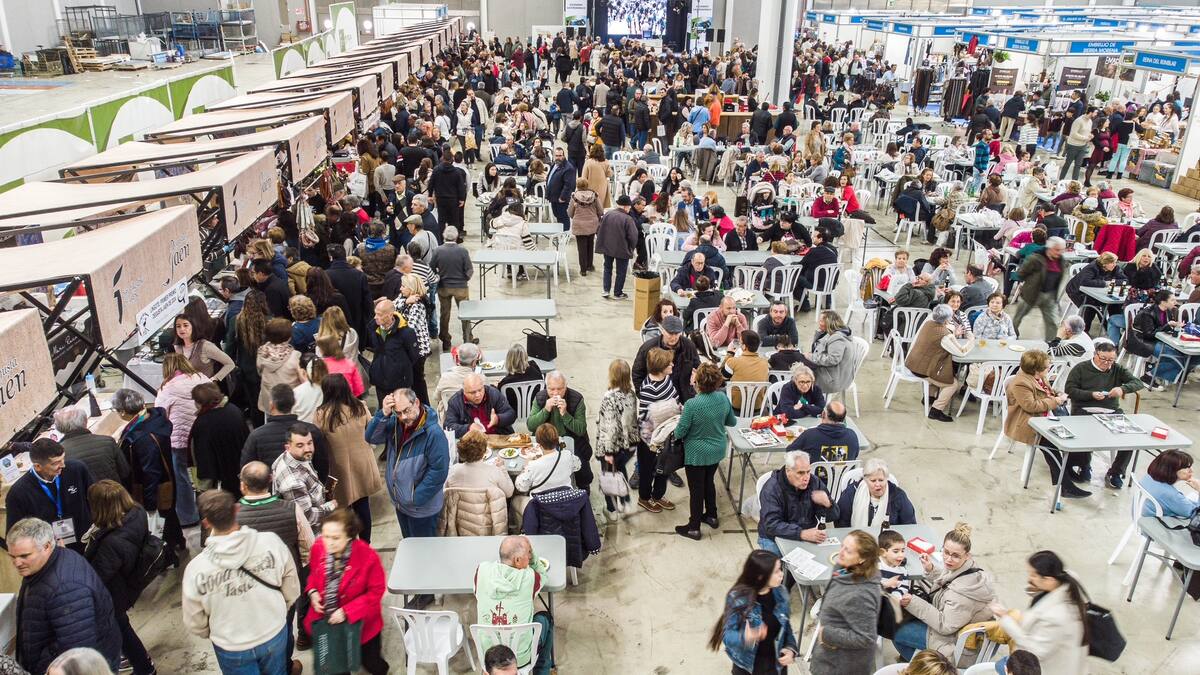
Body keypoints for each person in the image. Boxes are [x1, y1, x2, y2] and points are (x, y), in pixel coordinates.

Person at [182, 490, 299, 674]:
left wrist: (218, 632)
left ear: (206, 523)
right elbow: (291, 586)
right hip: (273, 631)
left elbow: (194, 621)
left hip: (231, 646)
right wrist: (280, 609)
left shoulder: (196, 569)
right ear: (237, 510)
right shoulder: (271, 542)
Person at [9, 517, 121, 674]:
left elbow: (77, 649)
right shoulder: (44, 565)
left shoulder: (66, 588)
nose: (17, 563)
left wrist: (42, 664)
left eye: (24, 556)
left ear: (47, 546)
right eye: (13, 557)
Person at [894, 523, 997, 664]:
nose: (948, 559)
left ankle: (926, 668)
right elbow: (951, 581)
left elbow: (945, 626)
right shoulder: (970, 568)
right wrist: (931, 570)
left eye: (955, 556)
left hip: (959, 647)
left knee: (895, 630)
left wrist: (912, 602)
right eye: (946, 552)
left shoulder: (962, 595)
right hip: (961, 630)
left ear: (967, 556)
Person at [303, 508, 389, 675]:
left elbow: (376, 591)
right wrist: (312, 592)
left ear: (349, 536)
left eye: (336, 538)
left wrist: (347, 612)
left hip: (362, 627)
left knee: (372, 663)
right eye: (326, 536)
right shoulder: (318, 547)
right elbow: (313, 574)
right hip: (328, 626)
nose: (329, 542)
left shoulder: (367, 556)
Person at [83, 481, 155, 675]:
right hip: (127, 582)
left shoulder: (111, 542)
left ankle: (144, 668)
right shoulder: (137, 512)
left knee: (121, 629)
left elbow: (98, 576)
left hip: (114, 593)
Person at [366, 387, 449, 541]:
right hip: (401, 504)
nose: (403, 417)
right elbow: (371, 438)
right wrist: (383, 414)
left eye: (407, 410)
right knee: (409, 544)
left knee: (423, 550)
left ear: (416, 402)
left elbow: (439, 471)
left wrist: (414, 498)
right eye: (398, 412)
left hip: (421, 510)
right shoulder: (395, 423)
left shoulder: (433, 433)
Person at [1001, 350, 1086, 498]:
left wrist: (1057, 394)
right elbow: (1031, 406)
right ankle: (1065, 486)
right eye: (1047, 367)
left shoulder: (1040, 377)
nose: (1049, 368)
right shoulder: (1020, 383)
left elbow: (1047, 392)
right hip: (1027, 422)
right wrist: (1056, 401)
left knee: (1074, 434)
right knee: (1051, 445)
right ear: (1036, 370)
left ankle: (1068, 471)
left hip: (1045, 417)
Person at [1062, 342, 1146, 488]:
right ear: (1095, 354)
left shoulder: (1117, 369)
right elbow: (1069, 390)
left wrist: (1123, 389)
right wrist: (1091, 395)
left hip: (1111, 411)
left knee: (1131, 437)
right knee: (1085, 432)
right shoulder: (1081, 368)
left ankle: (1116, 472)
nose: (1107, 363)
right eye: (1103, 359)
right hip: (1084, 409)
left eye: (1111, 360)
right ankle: (1084, 465)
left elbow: (1138, 383)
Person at [315, 375, 384, 542]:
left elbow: (319, 442)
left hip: (338, 468)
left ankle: (349, 544)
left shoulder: (321, 415)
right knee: (363, 504)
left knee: (342, 509)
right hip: (363, 463)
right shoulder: (359, 407)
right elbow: (371, 429)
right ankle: (365, 543)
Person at [474, 536, 555, 674]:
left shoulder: (481, 571)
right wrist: (534, 558)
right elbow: (542, 573)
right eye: (528, 553)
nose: (530, 557)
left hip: (488, 656)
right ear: (517, 560)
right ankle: (542, 670)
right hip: (519, 658)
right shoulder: (530, 577)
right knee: (545, 618)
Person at [708, 549, 798, 675]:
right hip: (747, 667)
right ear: (761, 576)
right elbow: (727, 636)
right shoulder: (738, 598)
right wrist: (746, 637)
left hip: (775, 665)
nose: (781, 574)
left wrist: (790, 649)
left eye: (781, 569)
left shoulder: (782, 593)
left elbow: (786, 626)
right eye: (776, 571)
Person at [673, 363, 736, 541]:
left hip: (697, 453)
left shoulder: (692, 404)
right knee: (709, 482)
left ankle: (694, 527)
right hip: (717, 450)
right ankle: (711, 515)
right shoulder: (722, 398)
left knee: (696, 490)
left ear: (698, 382)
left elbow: (680, 432)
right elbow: (731, 422)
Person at [809, 531, 882, 675]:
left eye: (848, 551)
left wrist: (826, 634)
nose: (840, 552)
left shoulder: (861, 594)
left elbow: (866, 638)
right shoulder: (844, 569)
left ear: (862, 559)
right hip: (828, 655)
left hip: (841, 665)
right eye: (842, 546)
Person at [6, 439, 93, 554]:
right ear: (38, 466)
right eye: (56, 463)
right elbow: (15, 535)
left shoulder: (77, 469)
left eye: (63, 458)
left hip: (87, 541)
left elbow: (95, 499)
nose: (63, 465)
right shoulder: (18, 493)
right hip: (52, 553)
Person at [757, 451, 837, 553]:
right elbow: (772, 525)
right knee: (777, 561)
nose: (806, 478)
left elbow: (833, 517)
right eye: (800, 473)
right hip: (773, 537)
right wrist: (802, 533)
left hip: (806, 534)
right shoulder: (772, 489)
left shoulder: (814, 482)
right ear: (788, 471)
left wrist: (828, 504)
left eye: (808, 472)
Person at [906, 304, 975, 422]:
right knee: (953, 384)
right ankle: (936, 410)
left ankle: (929, 397)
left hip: (913, 362)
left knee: (938, 373)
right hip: (922, 369)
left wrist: (952, 333)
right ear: (948, 319)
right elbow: (961, 353)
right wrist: (971, 340)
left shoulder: (929, 324)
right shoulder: (944, 336)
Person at [526, 371, 593, 491]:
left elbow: (581, 429)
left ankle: (584, 488)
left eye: (560, 389)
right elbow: (531, 426)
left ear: (565, 387)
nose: (556, 393)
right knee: (533, 463)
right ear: (546, 387)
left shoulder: (576, 399)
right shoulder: (540, 398)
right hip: (546, 439)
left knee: (583, 470)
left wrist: (565, 414)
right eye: (551, 389)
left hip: (570, 438)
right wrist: (546, 409)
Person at [272, 424, 336, 536]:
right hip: (312, 535)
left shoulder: (294, 456)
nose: (307, 449)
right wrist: (330, 507)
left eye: (309, 443)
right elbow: (308, 517)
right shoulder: (294, 483)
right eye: (300, 445)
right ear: (288, 447)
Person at [189, 381, 248, 496]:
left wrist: (204, 488)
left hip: (221, 480)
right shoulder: (233, 409)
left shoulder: (204, 422)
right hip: (240, 471)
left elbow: (204, 456)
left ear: (200, 402)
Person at [1126, 288, 1186, 390]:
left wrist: (1174, 326)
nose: (1175, 302)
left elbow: (1162, 329)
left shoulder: (1167, 311)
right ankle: (1148, 376)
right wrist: (1168, 325)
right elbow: (1149, 334)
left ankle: (1152, 369)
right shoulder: (1147, 313)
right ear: (1163, 302)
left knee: (1181, 355)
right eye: (1172, 300)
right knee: (1175, 358)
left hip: (1158, 339)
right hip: (1141, 340)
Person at [53, 408, 130, 487]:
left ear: (59, 428)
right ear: (86, 421)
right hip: (116, 491)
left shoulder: (58, 455)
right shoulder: (108, 441)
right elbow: (125, 472)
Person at [633, 315, 701, 402]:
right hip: (658, 399)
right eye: (670, 334)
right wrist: (644, 396)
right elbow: (637, 373)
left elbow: (698, 367)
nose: (673, 337)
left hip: (684, 397)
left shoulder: (689, 346)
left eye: (677, 333)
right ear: (662, 331)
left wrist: (696, 375)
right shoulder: (648, 348)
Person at [367, 298, 421, 407]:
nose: (375, 317)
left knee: (402, 409)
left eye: (379, 315)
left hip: (400, 383)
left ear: (390, 315)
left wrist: (399, 368)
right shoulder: (373, 327)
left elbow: (414, 356)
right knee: (384, 410)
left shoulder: (406, 333)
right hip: (380, 380)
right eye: (375, 314)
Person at [835, 457, 917, 528]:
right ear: (865, 480)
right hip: (856, 539)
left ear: (886, 479)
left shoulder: (898, 496)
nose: (877, 484)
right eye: (873, 481)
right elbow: (841, 524)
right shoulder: (851, 492)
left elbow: (910, 525)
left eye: (881, 480)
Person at [1012, 235, 1066, 340]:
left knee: (1053, 322)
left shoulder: (1061, 260)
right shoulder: (1035, 259)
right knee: (1018, 317)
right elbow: (1022, 273)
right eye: (1057, 250)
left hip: (1050, 295)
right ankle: (1012, 336)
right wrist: (1029, 283)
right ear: (1049, 248)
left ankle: (1051, 343)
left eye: (1062, 250)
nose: (1060, 253)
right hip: (1031, 294)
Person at [432, 227, 474, 350]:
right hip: (460, 288)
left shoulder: (437, 251)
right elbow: (469, 270)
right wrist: (464, 279)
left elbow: (431, 268)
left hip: (444, 287)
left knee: (444, 314)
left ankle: (445, 340)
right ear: (456, 237)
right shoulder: (463, 251)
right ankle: (467, 339)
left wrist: (439, 277)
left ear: (444, 236)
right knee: (465, 314)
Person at [1064, 251, 1125, 331]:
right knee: (1091, 306)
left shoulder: (1115, 268)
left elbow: (1125, 280)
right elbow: (1085, 282)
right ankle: (1085, 330)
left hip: (1099, 292)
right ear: (1104, 263)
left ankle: (1112, 328)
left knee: (1115, 305)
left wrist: (1111, 282)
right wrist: (1105, 283)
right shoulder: (1092, 267)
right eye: (1112, 263)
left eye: (1115, 262)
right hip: (1076, 291)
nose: (1115, 264)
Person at [444, 372, 517, 437]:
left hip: (498, 437)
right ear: (464, 392)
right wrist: (468, 428)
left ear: (483, 386)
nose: (478, 395)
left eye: (480, 390)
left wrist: (498, 419)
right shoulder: (455, 401)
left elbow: (511, 415)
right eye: (472, 392)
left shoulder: (493, 394)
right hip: (472, 442)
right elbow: (448, 426)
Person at [801, 310, 856, 395]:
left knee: (800, 377)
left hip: (832, 380)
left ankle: (802, 400)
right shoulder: (830, 333)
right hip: (832, 373)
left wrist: (811, 357)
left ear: (829, 323)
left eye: (821, 321)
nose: (819, 323)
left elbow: (833, 359)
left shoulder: (837, 339)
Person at [788, 401, 859, 463]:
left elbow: (790, 452)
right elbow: (855, 455)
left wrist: (799, 440)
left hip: (812, 474)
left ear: (823, 414)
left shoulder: (810, 435)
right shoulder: (852, 436)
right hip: (844, 474)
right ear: (843, 419)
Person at [596, 195, 639, 300]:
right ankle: (617, 293)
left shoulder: (607, 214)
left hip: (607, 247)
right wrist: (631, 248)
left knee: (607, 268)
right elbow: (633, 236)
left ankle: (606, 290)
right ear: (625, 207)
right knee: (621, 272)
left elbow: (598, 229)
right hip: (622, 249)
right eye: (629, 207)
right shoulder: (628, 219)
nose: (629, 209)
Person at [172, 312, 235, 382]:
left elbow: (230, 364)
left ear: (193, 327)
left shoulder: (205, 346)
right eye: (178, 326)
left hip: (205, 387)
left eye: (185, 325)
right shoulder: (177, 348)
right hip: (186, 387)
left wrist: (213, 379)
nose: (182, 329)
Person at [1139, 450, 1200, 517]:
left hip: (1144, 515)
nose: (1191, 471)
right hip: (1156, 521)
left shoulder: (1148, 477)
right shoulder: (1172, 496)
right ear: (1172, 469)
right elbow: (1197, 516)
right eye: (1186, 467)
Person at [567, 177, 602, 275]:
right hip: (592, 224)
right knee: (590, 245)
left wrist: (576, 214)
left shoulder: (574, 197)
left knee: (581, 247)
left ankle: (583, 270)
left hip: (579, 225)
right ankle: (589, 265)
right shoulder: (594, 195)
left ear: (577, 186)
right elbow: (601, 211)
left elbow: (570, 213)